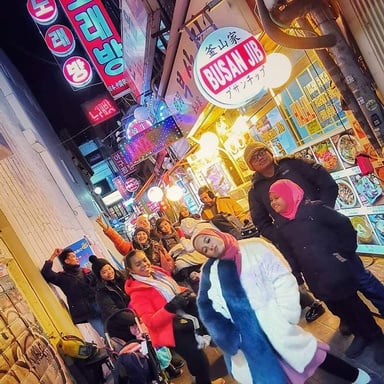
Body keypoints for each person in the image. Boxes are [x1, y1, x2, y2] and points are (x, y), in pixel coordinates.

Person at [193, 228, 371, 384]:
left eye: (208, 240)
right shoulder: (212, 271)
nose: (210, 248)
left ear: (215, 233)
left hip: (274, 322)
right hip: (249, 339)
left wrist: (285, 314)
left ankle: (357, 376)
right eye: (204, 250)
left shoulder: (253, 247)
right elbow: (213, 304)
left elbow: (282, 277)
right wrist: (232, 334)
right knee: (277, 374)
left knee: (310, 354)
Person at [244, 141, 384, 322]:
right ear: (250, 166)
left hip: (327, 234)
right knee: (330, 287)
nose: (260, 157)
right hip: (302, 246)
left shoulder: (293, 164)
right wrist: (283, 235)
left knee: (358, 274)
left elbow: (327, 183)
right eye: (254, 157)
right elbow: (261, 222)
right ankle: (354, 323)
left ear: (269, 151)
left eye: (261, 151)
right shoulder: (256, 191)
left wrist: (322, 211)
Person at [269, 179, 384, 361]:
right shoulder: (282, 226)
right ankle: (359, 334)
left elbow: (343, 223)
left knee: (353, 305)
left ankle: (375, 336)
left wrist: (345, 250)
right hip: (316, 277)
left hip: (336, 269)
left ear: (290, 194)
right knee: (337, 307)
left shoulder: (314, 210)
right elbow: (289, 254)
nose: (274, 203)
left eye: (277, 198)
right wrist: (297, 276)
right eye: (271, 200)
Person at [124, 249, 225, 384]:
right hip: (173, 330)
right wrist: (170, 307)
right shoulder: (137, 293)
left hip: (185, 319)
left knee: (197, 360)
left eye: (144, 260)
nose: (144, 264)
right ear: (131, 270)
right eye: (138, 264)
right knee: (199, 360)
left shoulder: (157, 274)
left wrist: (185, 292)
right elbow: (150, 322)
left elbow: (172, 291)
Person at [41, 248, 104, 336]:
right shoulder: (63, 277)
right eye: (74, 257)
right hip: (89, 313)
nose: (77, 258)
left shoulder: (86, 271)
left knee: (116, 329)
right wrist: (53, 256)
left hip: (101, 306)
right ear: (67, 261)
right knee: (105, 335)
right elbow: (46, 273)